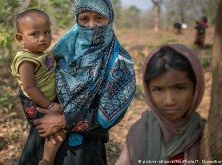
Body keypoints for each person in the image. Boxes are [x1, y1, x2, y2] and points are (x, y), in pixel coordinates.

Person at [18, 0, 136, 164]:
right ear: (77, 20)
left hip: (81, 151)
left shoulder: (120, 62)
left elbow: (108, 115)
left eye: (99, 18)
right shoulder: (63, 49)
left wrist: (64, 121)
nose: (91, 25)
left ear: (110, 19)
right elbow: (28, 87)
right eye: (84, 19)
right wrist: (42, 119)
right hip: (42, 138)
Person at [115, 44, 205, 165]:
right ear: (148, 90)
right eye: (158, 89)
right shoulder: (140, 132)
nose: (169, 101)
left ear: (196, 88)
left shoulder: (206, 135)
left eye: (180, 88)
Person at [11, 9, 65, 165]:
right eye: (35, 34)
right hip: (36, 103)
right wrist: (49, 105)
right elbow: (29, 87)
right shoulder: (25, 60)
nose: (42, 38)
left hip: (45, 99)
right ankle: (47, 160)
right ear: (20, 38)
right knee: (54, 127)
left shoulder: (41, 55)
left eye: (46, 32)